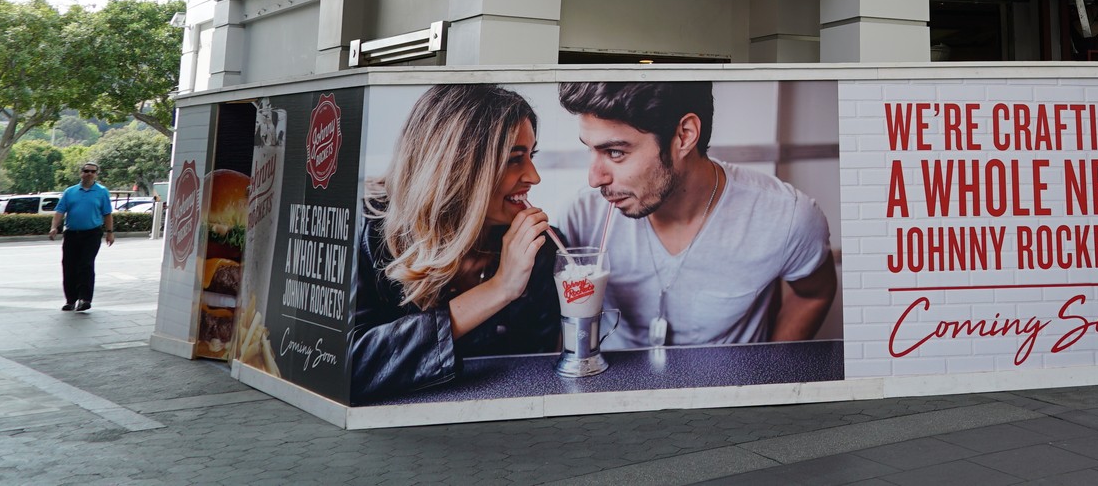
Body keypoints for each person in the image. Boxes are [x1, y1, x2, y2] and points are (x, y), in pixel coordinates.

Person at [557, 81, 837, 350]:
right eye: (590, 149)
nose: (594, 179)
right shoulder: (582, 216)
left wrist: (771, 370)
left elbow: (814, 293)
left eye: (616, 152)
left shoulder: (786, 216)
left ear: (685, 135)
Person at [350, 84, 560, 402]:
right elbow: (345, 369)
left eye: (531, 156)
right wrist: (500, 288)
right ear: (456, 166)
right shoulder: (367, 229)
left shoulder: (538, 248)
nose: (534, 176)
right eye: (514, 159)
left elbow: (538, 373)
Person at [48, 161, 114, 312]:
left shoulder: (102, 191)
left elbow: (107, 213)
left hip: (92, 234)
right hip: (72, 234)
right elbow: (60, 211)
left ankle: (85, 299)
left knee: (86, 264)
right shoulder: (70, 192)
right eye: (86, 171)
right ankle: (70, 300)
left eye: (93, 171)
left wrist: (110, 232)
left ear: (96, 174)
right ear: (81, 173)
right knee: (69, 266)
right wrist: (54, 227)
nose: (89, 174)